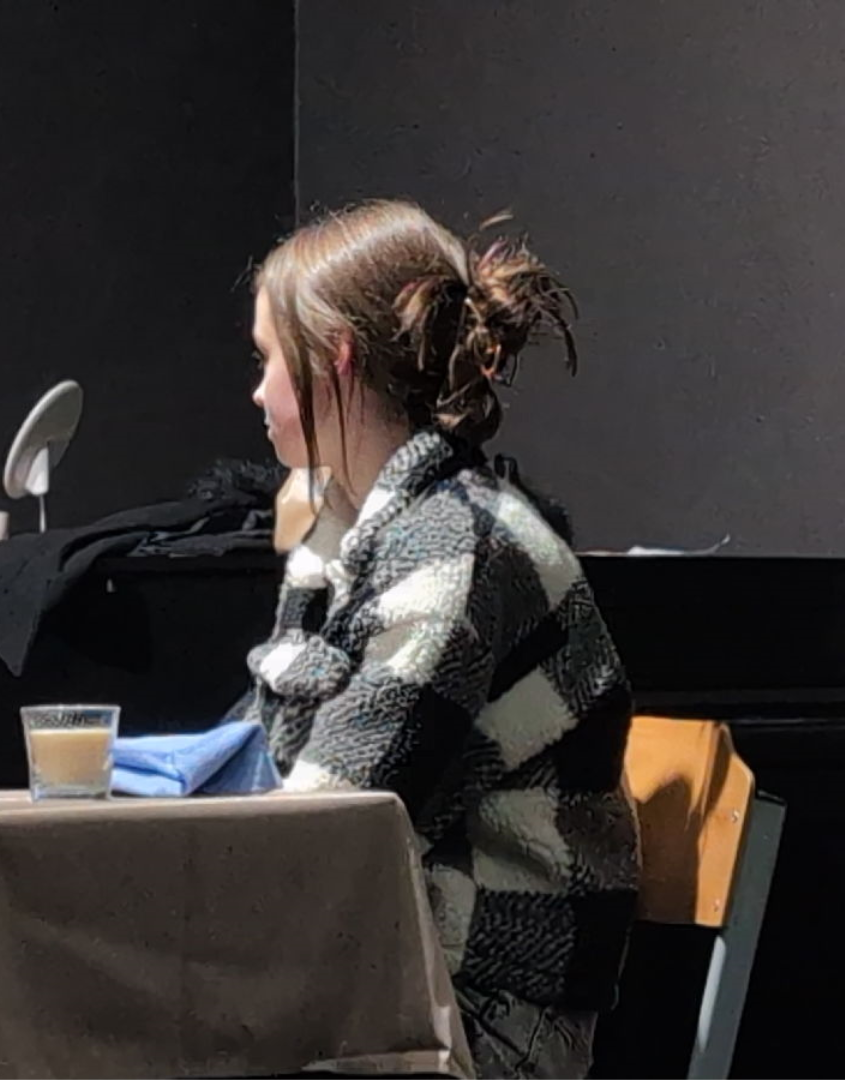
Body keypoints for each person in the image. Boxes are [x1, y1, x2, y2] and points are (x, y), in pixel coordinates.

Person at [235, 200, 638, 1078]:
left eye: (268, 359)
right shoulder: (354, 536)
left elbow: (329, 827)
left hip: (488, 1026)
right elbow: (272, 766)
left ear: (335, 356)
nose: (258, 391)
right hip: (392, 988)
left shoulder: (458, 544)